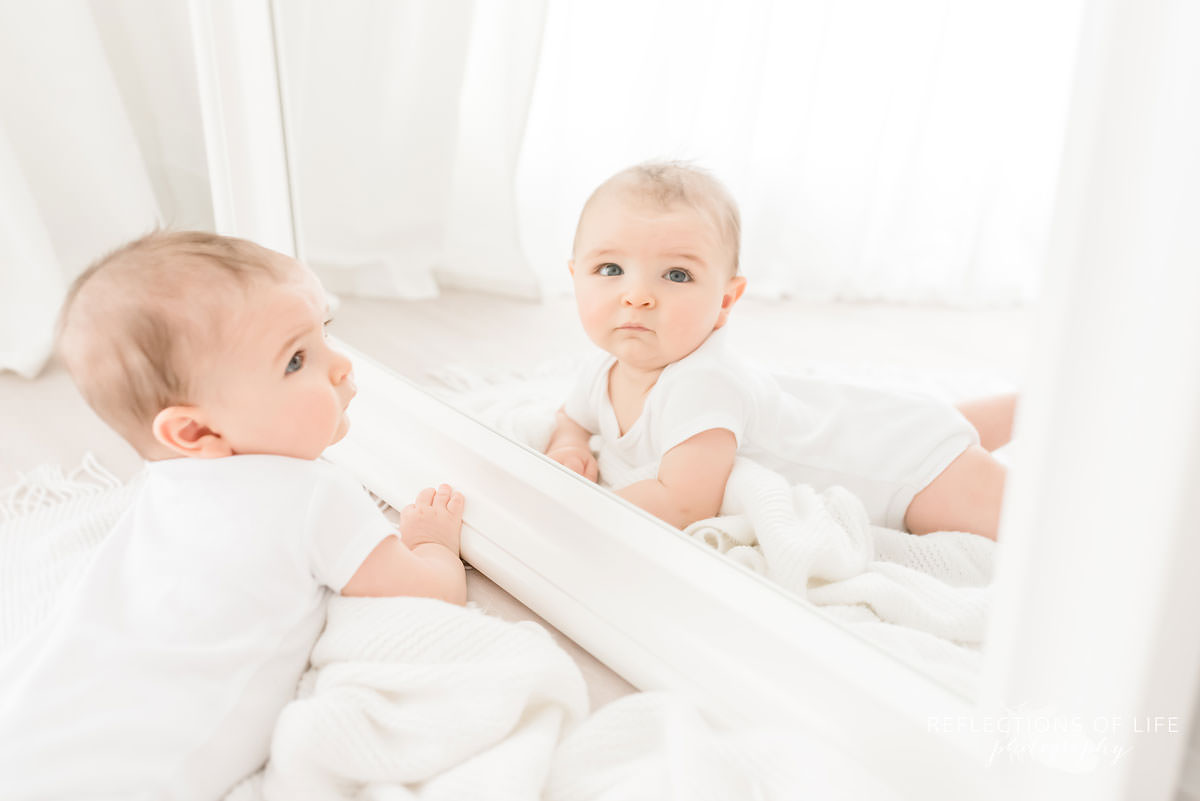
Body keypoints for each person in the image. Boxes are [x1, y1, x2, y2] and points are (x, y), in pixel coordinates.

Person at [0, 231, 467, 800]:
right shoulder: (313, 495)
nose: (341, 365)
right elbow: (430, 597)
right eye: (297, 360)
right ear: (196, 430)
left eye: (324, 334)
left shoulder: (163, 486)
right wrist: (433, 542)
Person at [544, 162, 1014, 539]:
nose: (637, 295)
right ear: (574, 277)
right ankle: (1033, 407)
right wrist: (569, 445)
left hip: (906, 477)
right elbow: (574, 418)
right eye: (609, 269)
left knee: (1039, 530)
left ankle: (1054, 412)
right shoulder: (603, 367)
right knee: (925, 423)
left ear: (725, 301)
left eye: (676, 275)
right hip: (869, 428)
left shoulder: (701, 383)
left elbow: (684, 502)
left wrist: (574, 514)